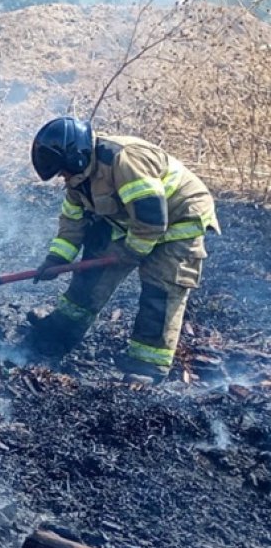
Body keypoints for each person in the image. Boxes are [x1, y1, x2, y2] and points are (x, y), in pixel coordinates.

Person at [27, 116, 219, 380]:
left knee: (159, 290)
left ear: (76, 158)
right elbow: (72, 223)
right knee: (90, 279)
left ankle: (147, 366)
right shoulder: (77, 180)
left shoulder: (125, 160)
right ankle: (58, 335)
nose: (63, 178)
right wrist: (56, 259)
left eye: (63, 171)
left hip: (178, 221)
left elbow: (151, 219)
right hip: (131, 221)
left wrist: (129, 253)